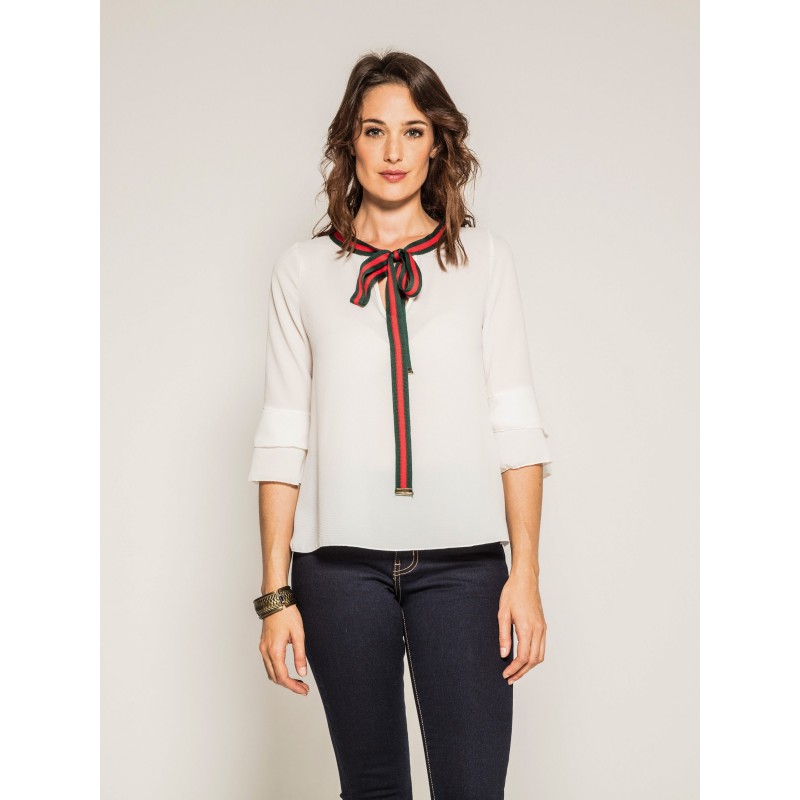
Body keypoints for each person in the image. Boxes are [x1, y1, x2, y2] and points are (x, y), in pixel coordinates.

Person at [248, 49, 553, 800]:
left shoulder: (484, 262)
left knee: (473, 787)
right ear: (349, 142)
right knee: (373, 787)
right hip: (338, 570)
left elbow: (516, 425)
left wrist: (525, 574)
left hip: (466, 567)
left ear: (437, 144)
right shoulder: (302, 271)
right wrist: (276, 597)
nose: (393, 152)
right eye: (374, 130)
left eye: (413, 131)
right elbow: (283, 435)